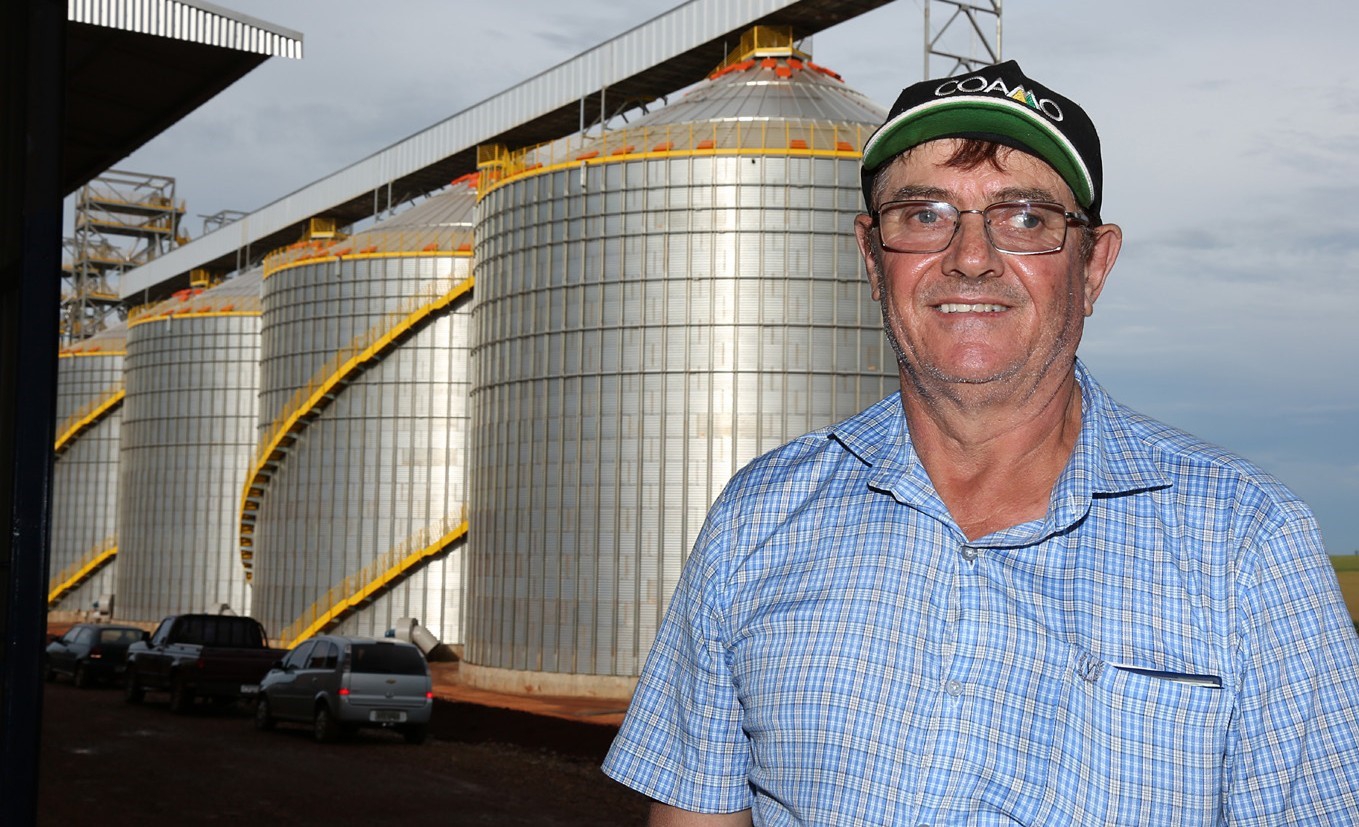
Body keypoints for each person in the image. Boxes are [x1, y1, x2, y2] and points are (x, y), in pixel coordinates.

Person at [601, 60, 1359, 825]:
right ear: (871, 258)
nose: (970, 256)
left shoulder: (1246, 543)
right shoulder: (758, 516)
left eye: (1024, 217)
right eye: (924, 214)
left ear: (1093, 265)